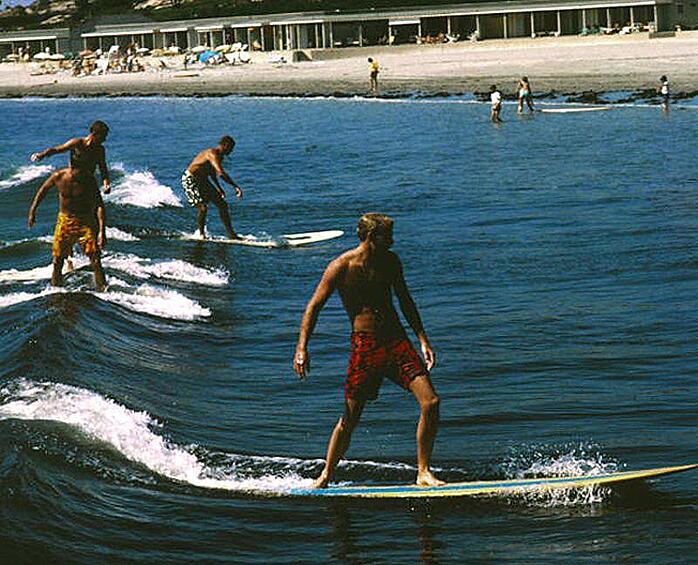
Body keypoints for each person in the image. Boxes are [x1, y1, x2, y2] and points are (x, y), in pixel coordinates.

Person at [293, 213, 443, 488]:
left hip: (396, 341)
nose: (393, 241)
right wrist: (302, 347)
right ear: (372, 237)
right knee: (350, 418)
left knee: (431, 402)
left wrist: (423, 339)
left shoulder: (391, 262)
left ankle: (423, 471)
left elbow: (405, 301)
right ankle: (325, 475)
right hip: (365, 346)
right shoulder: (341, 266)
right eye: (388, 236)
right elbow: (314, 307)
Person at [28, 167, 107, 291]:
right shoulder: (58, 176)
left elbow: (99, 205)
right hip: (64, 221)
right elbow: (42, 190)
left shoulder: (88, 179)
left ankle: (104, 292)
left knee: (95, 260)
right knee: (57, 261)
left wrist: (102, 232)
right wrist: (32, 211)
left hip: (85, 221)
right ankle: (56, 291)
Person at [181, 135, 243, 239]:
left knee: (222, 205)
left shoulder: (220, 156)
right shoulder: (212, 154)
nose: (231, 151)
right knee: (203, 207)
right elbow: (220, 172)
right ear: (225, 145)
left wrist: (218, 188)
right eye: (231, 148)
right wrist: (235, 186)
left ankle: (231, 234)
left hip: (203, 180)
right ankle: (201, 234)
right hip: (190, 179)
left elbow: (212, 172)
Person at [31, 120, 111, 194]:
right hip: (73, 180)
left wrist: (106, 185)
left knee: (100, 209)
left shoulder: (100, 150)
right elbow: (57, 149)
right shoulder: (77, 143)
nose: (104, 139)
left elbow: (103, 169)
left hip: (88, 182)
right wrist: (42, 154)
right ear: (94, 134)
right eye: (103, 136)